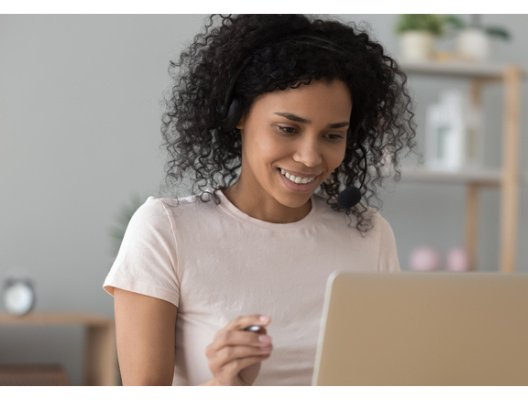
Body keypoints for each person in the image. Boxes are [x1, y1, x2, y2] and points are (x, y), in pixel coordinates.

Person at [103, 14, 419, 386]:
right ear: (237, 114)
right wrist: (224, 386)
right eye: (288, 129)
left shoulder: (369, 235)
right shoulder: (167, 230)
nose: (310, 157)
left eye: (333, 135)